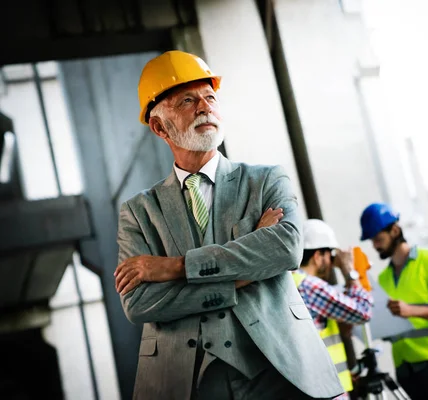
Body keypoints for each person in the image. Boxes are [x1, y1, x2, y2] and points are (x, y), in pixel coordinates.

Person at [113, 50, 343, 400]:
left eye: (209, 97)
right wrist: (250, 263)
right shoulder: (138, 212)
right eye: (187, 100)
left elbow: (284, 249)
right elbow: (141, 303)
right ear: (160, 127)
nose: (204, 107)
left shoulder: (266, 180)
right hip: (190, 382)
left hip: (280, 369)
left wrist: (175, 267)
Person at [359, 203, 428, 400]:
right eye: (372, 240)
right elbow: (394, 330)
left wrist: (411, 310)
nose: (375, 245)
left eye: (378, 238)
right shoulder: (383, 279)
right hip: (406, 372)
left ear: (395, 230)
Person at [293, 219, 374, 400]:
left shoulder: (294, 283)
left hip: (316, 386)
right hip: (326, 389)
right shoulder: (311, 285)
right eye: (329, 255)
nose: (331, 263)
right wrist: (348, 271)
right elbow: (363, 311)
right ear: (317, 256)